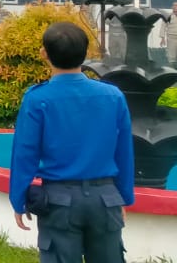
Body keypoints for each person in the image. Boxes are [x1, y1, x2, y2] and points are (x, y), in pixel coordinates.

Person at [9, 22, 134, 262]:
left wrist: (18, 199)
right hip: (105, 199)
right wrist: (123, 197)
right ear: (86, 53)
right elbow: (124, 152)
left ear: (44, 53)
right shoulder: (112, 96)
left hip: (59, 202)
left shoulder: (38, 98)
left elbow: (25, 153)